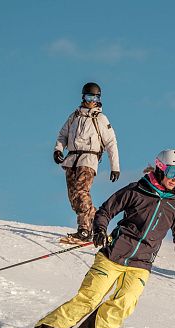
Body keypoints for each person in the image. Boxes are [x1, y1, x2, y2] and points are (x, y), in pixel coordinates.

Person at [24, 149, 175, 328]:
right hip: (112, 256)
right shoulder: (137, 190)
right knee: (89, 299)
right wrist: (99, 230)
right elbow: (105, 211)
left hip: (141, 265)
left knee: (123, 306)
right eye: (173, 171)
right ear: (161, 168)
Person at [53, 82, 121, 242]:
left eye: (95, 97)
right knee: (73, 198)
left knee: (81, 191)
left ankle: (85, 228)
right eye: (89, 96)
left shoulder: (101, 119)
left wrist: (115, 167)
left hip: (89, 159)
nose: (91, 100)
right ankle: (95, 220)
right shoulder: (75, 116)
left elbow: (111, 143)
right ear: (83, 97)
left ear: (99, 99)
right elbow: (62, 134)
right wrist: (58, 149)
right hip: (71, 159)